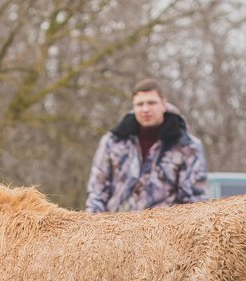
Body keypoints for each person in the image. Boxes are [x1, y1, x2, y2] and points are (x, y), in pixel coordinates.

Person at [85, 78, 207, 213]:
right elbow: (97, 194)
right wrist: (92, 228)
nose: (145, 109)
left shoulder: (188, 147)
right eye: (139, 104)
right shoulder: (112, 142)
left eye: (151, 103)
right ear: (133, 107)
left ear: (163, 104)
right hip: (115, 229)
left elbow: (195, 202)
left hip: (165, 231)